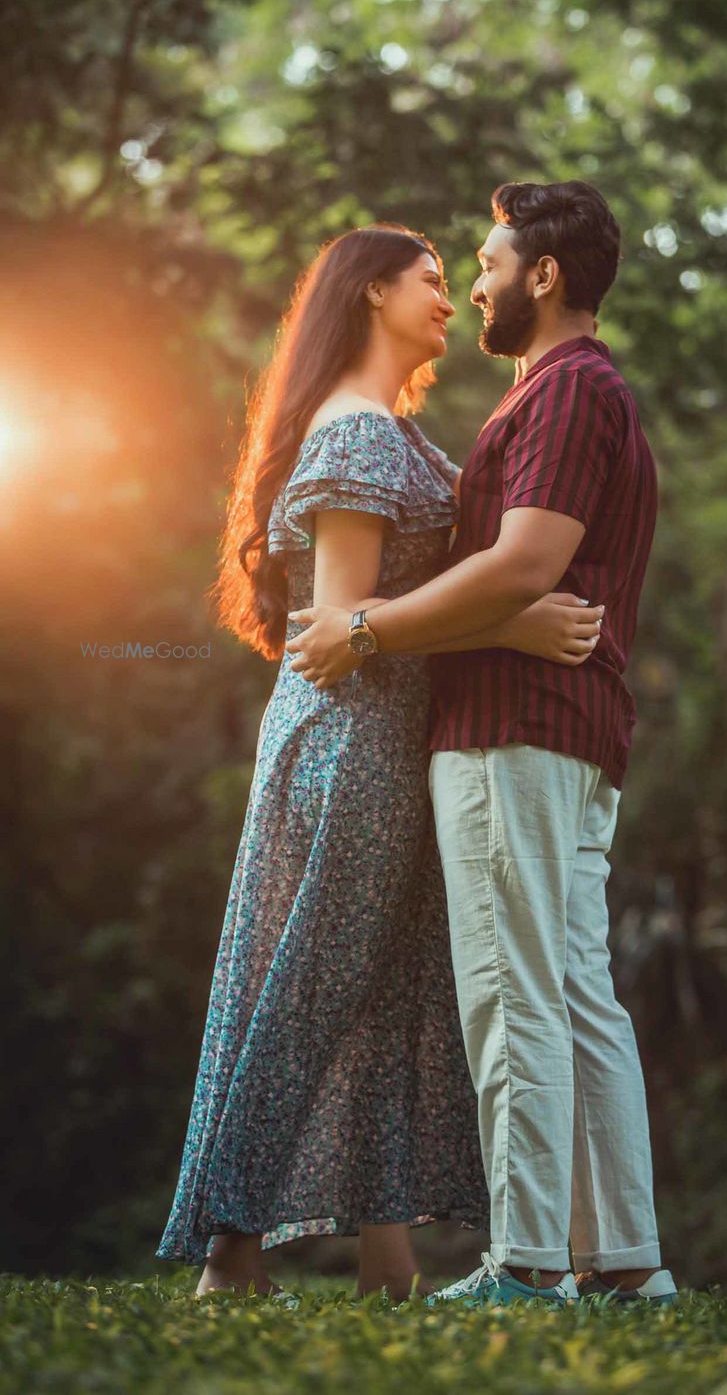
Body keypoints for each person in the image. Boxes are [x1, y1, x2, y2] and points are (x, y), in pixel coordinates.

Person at [154, 222, 604, 1301]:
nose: (450, 301)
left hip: (396, 740)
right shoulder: (355, 435)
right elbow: (346, 623)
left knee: (390, 991)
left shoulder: (392, 433)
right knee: (308, 987)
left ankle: (388, 1261)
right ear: (369, 296)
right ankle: (230, 1254)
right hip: (348, 739)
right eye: (431, 281)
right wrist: (510, 627)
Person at [287, 181, 679, 1309]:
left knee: (515, 990)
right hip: (565, 731)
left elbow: (520, 565)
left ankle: (524, 1264)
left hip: (513, 729)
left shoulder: (563, 392)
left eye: (491, 260)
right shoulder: (574, 392)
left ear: (543, 275)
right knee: (571, 987)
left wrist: (361, 628)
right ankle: (625, 1262)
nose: (481, 281)